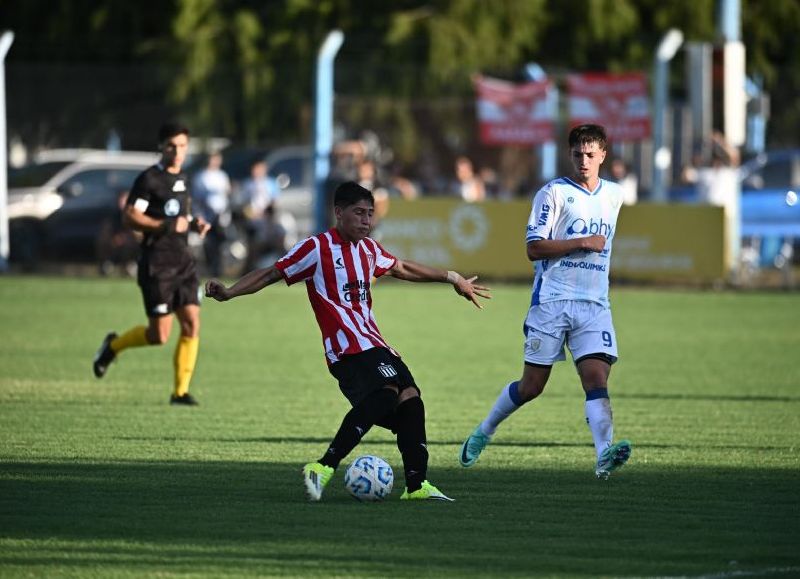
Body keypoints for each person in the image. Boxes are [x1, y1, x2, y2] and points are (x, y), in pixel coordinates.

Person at [205, 181, 491, 501]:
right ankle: (324, 466)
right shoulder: (316, 248)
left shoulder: (368, 249)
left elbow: (400, 266)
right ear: (338, 213)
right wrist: (229, 292)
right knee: (387, 394)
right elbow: (272, 273)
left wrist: (452, 277)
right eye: (359, 213)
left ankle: (416, 486)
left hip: (375, 343)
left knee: (411, 400)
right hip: (346, 348)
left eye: (370, 213)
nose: (367, 220)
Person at [459, 124, 632, 479]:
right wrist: (582, 241)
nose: (583, 161)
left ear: (603, 155)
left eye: (589, 154)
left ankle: (603, 456)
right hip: (552, 302)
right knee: (532, 387)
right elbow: (533, 247)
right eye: (577, 154)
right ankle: (485, 430)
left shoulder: (614, 195)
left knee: (596, 378)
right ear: (569, 155)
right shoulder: (552, 193)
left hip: (595, 304)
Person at [92, 122, 211, 406]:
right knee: (159, 335)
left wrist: (195, 224)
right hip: (157, 264)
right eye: (172, 145)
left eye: (182, 145)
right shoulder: (149, 180)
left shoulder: (183, 177)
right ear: (161, 146)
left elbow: (183, 216)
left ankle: (180, 392)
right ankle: (113, 347)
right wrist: (166, 225)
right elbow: (130, 217)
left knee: (192, 323)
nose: (178, 151)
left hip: (183, 262)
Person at [192, 151, 232, 277]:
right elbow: (198, 198)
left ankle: (218, 270)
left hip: (221, 216)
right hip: (207, 216)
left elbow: (227, 193)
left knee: (221, 243)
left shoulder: (222, 176)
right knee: (209, 244)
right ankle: (210, 268)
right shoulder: (201, 176)